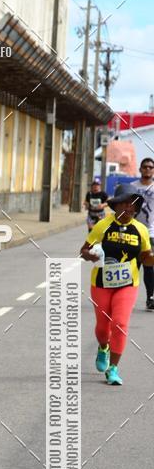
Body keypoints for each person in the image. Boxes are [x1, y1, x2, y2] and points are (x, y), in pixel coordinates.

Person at [80, 183, 154, 385]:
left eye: (133, 204)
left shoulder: (141, 230)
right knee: (103, 329)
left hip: (127, 284)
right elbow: (83, 251)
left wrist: (152, 258)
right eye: (124, 203)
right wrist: (91, 256)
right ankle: (103, 347)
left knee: (120, 324)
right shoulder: (102, 225)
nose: (129, 208)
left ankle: (113, 369)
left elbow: (145, 257)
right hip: (101, 284)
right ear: (116, 206)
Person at [129, 157, 154, 309]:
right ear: (140, 169)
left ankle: (150, 298)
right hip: (133, 231)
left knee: (149, 267)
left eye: (150, 167)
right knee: (132, 266)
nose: (148, 169)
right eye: (145, 167)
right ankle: (126, 298)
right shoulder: (132, 187)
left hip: (151, 233)